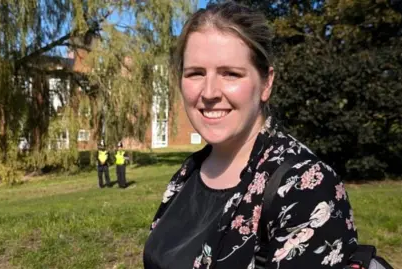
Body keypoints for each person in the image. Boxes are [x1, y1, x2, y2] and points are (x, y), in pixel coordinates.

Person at [143, 2, 358, 269]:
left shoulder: (305, 187)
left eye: (230, 74)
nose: (209, 92)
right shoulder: (190, 172)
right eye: (195, 73)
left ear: (266, 83)